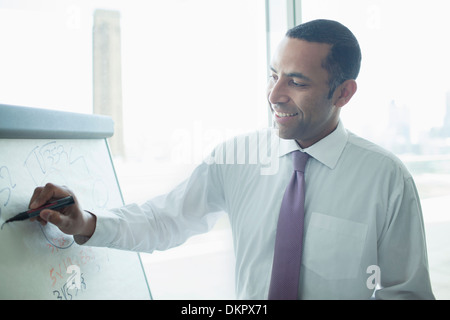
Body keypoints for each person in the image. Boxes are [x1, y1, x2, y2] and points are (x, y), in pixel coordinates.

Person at [29, 19, 434, 299]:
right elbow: (164, 219)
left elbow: (406, 295)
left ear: (344, 93)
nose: (275, 94)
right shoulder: (236, 159)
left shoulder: (387, 180)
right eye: (273, 74)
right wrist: (84, 223)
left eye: (297, 82)